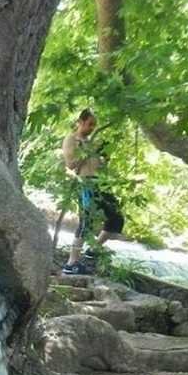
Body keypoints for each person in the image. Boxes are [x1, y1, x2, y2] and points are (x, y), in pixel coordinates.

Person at [61, 108, 124, 275]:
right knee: (86, 222)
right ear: (80, 122)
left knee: (116, 218)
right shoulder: (71, 139)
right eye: (90, 124)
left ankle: (93, 250)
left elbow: (98, 165)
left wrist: (105, 157)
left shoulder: (91, 141)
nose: (92, 128)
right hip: (85, 184)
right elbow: (71, 165)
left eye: (94, 125)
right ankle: (71, 263)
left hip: (100, 183)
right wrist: (87, 152)